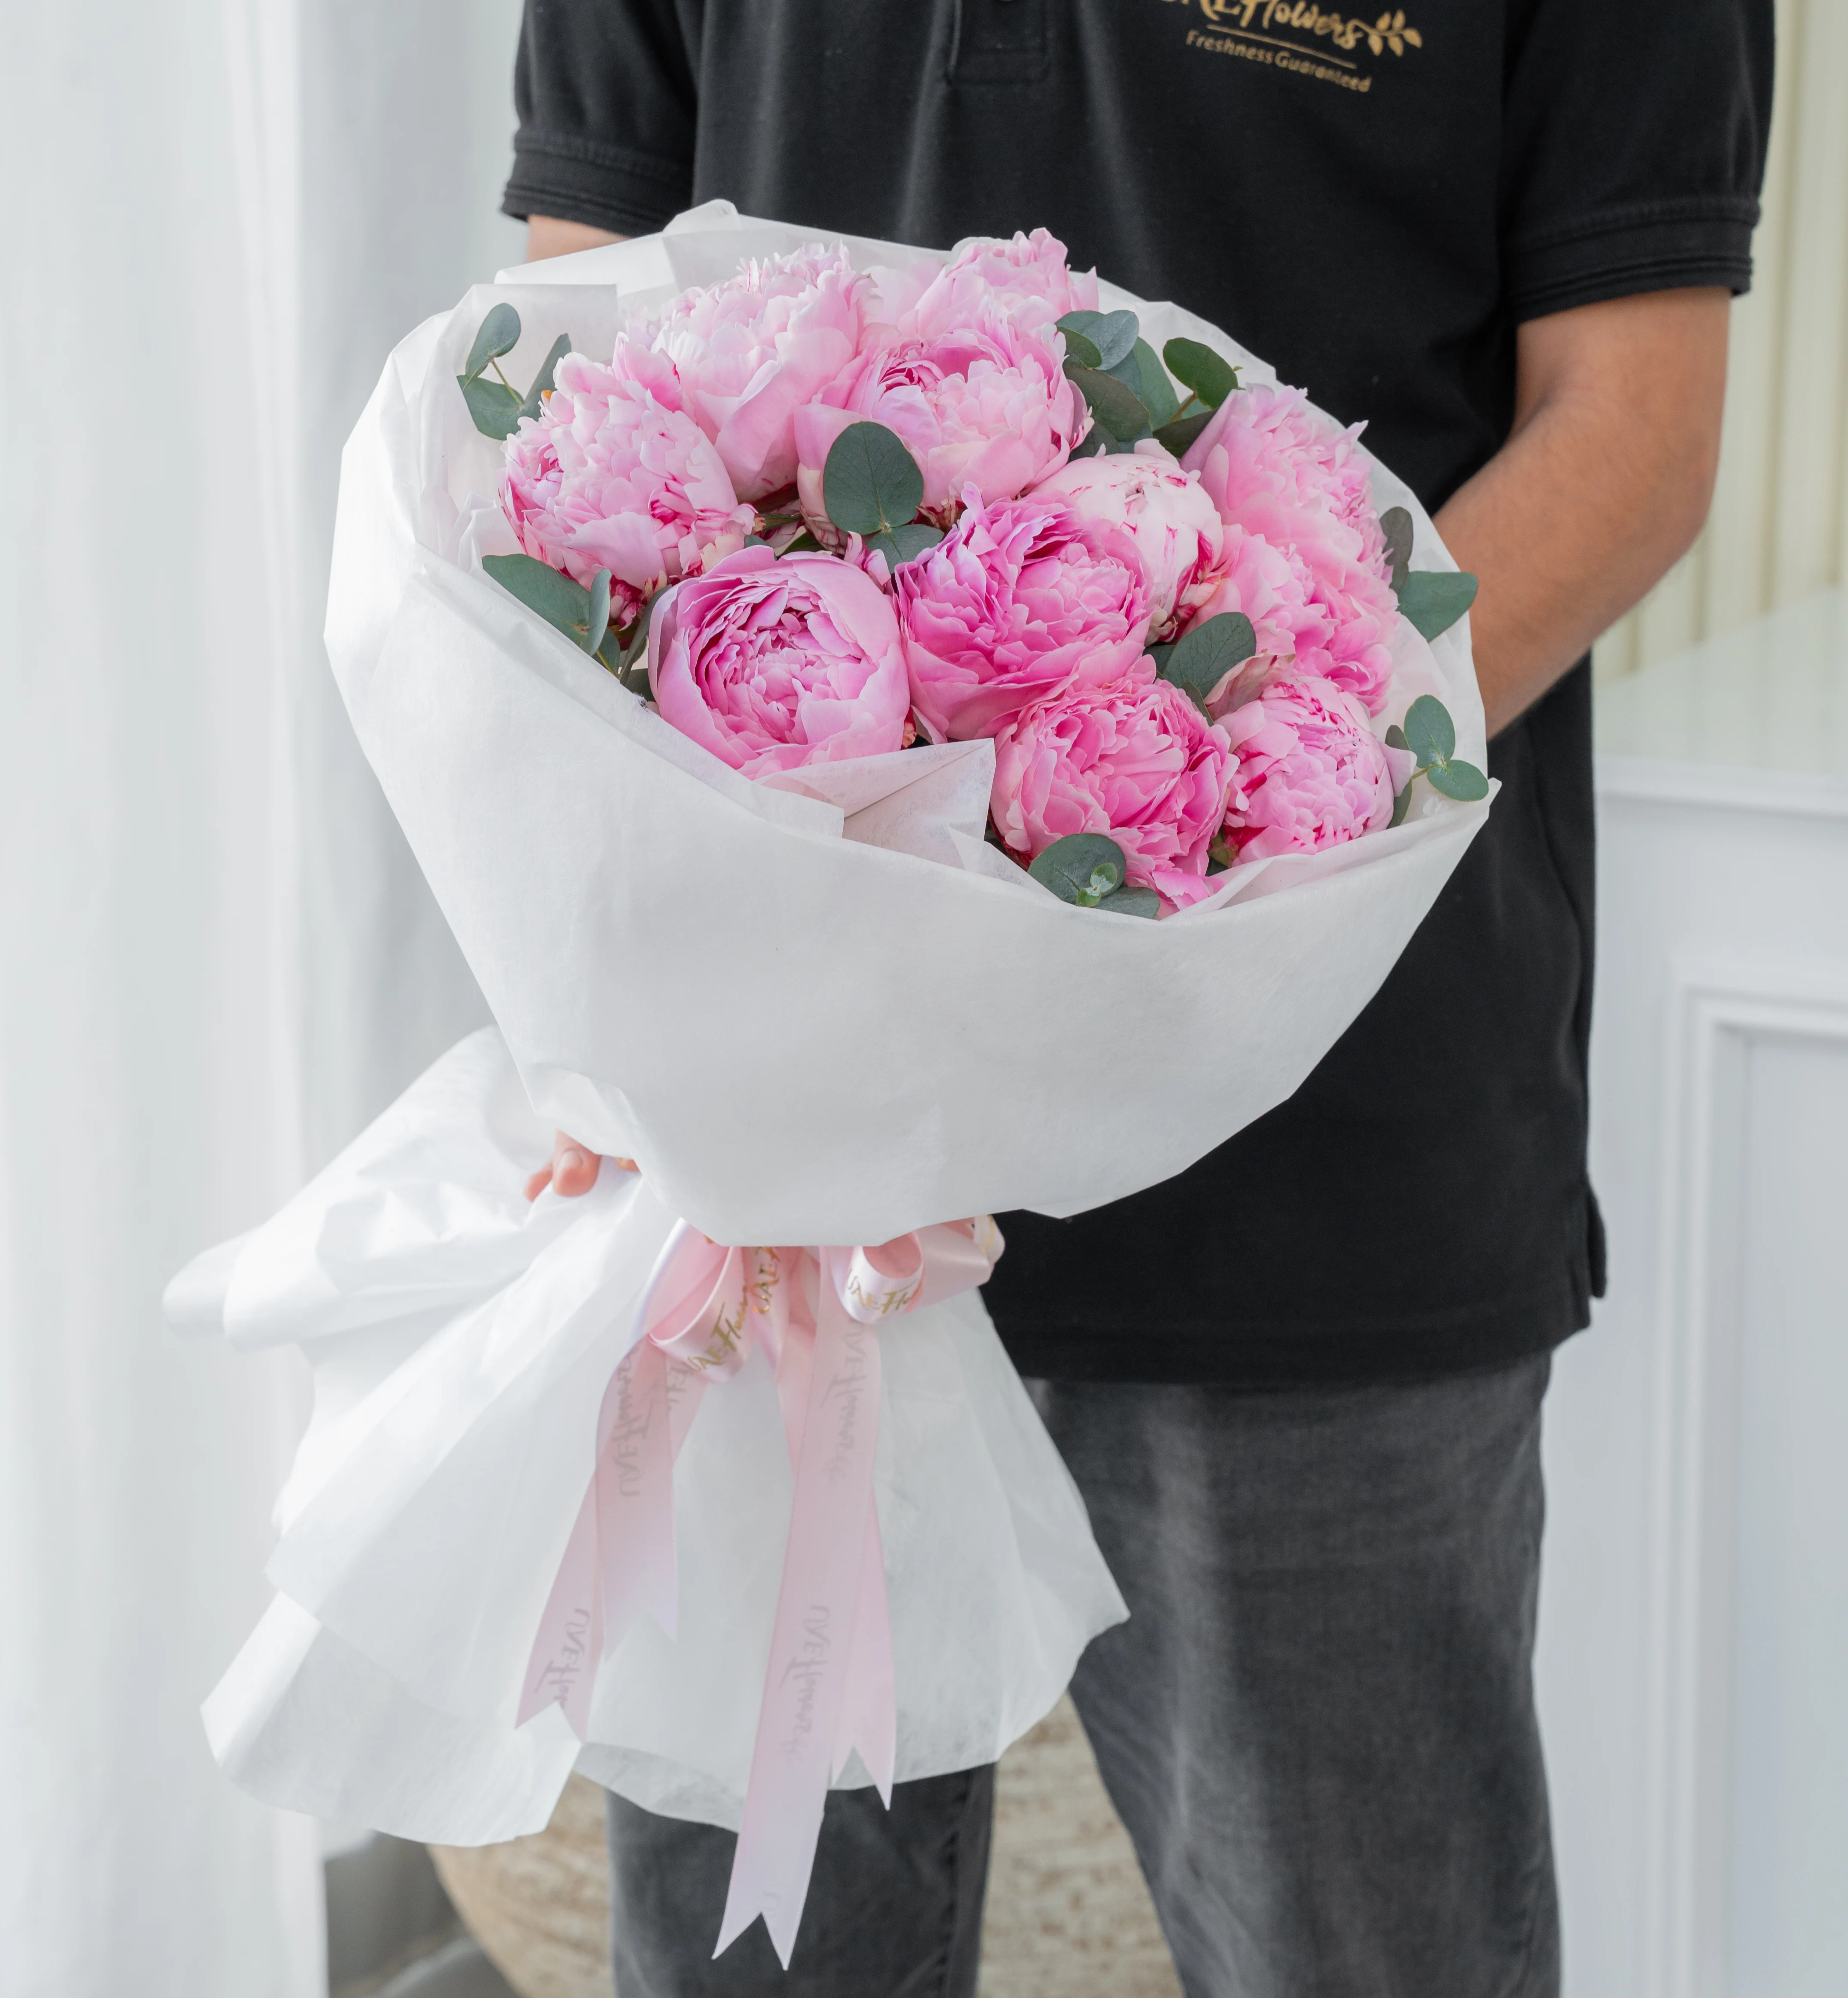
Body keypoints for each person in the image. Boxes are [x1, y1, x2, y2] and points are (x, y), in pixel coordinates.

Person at [499, 4, 1774, 1993]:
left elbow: (1629, 435)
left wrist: (1184, 821)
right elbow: (574, 384)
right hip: (784, 1158)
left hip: (1318, 1161)